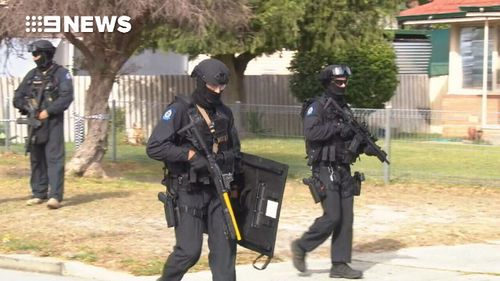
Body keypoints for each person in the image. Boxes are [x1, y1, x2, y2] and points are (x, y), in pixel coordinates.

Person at [146, 58, 242, 281]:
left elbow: (235, 150)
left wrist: (229, 167)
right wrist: (189, 155)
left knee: (224, 252)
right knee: (189, 252)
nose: (217, 91)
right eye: (213, 86)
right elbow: (155, 147)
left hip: (219, 190)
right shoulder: (180, 110)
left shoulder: (225, 113)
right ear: (200, 82)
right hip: (188, 190)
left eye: (222, 87)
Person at [291, 64, 380, 279]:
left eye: (345, 81)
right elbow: (311, 132)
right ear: (328, 83)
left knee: (346, 219)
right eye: (339, 82)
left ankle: (339, 264)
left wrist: (364, 146)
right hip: (324, 168)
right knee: (332, 216)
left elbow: (349, 139)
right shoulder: (317, 106)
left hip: (344, 169)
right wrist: (339, 129)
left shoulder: (346, 109)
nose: (343, 85)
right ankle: (302, 246)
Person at [13, 39, 74, 209]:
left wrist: (48, 111)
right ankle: (39, 193)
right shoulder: (32, 75)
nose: (34, 58)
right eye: (32, 54)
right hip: (34, 123)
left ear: (46, 54)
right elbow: (17, 97)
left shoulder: (61, 74)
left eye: (36, 54)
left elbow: (66, 97)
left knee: (54, 159)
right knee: (36, 159)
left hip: (52, 122)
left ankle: (55, 196)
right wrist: (27, 107)